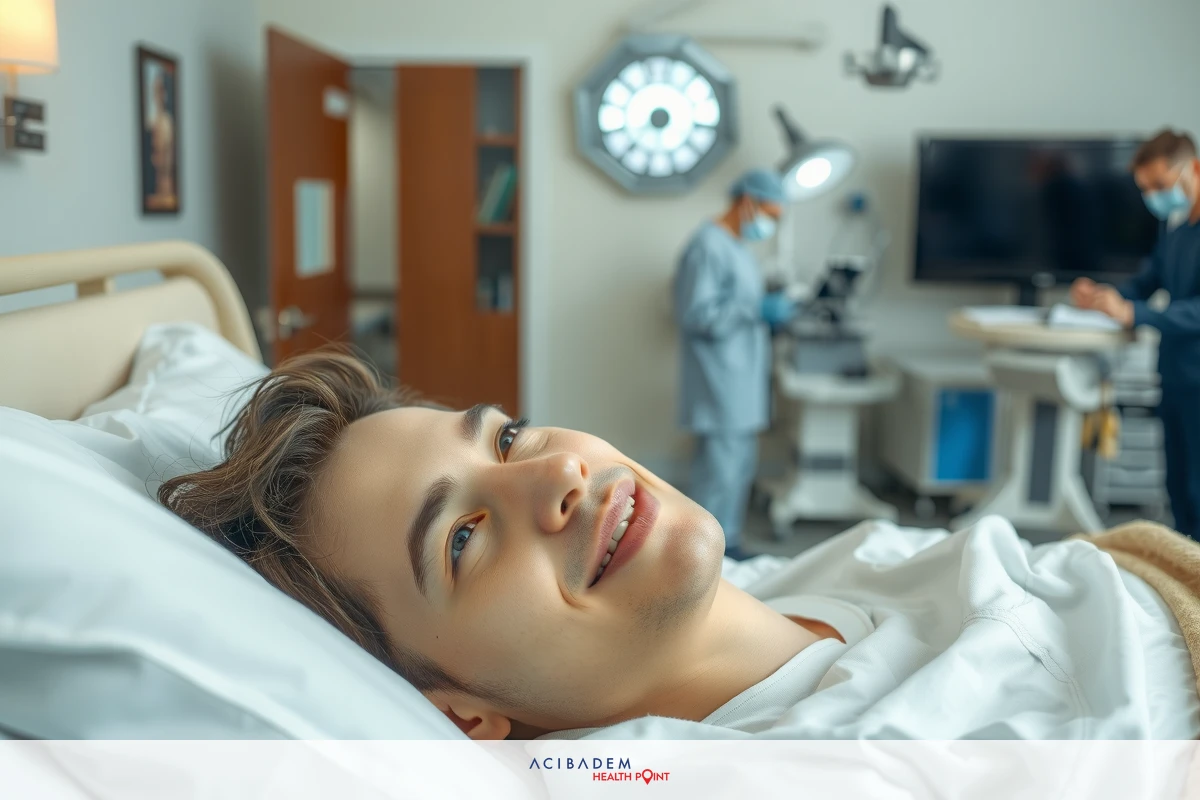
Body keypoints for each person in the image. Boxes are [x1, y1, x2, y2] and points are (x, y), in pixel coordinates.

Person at [160, 349, 1200, 740]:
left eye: (508, 438)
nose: (557, 476)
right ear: (465, 714)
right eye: (465, 537)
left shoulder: (794, 576)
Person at [1071, 129, 1200, 539]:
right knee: (1178, 487)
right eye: (1146, 189)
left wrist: (1133, 313)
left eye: (1160, 185)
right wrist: (1102, 297)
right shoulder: (1177, 231)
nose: (1154, 197)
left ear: (1194, 169)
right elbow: (1146, 283)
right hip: (1175, 376)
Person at [671, 168, 796, 561]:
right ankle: (702, 558)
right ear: (747, 201)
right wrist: (755, 309)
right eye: (769, 215)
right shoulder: (707, 246)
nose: (770, 225)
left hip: (739, 378)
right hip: (719, 378)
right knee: (719, 471)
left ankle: (729, 544)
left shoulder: (737, 246)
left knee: (737, 467)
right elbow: (696, 314)